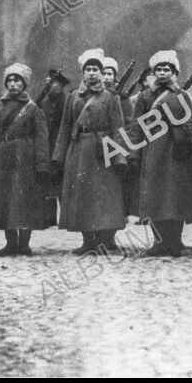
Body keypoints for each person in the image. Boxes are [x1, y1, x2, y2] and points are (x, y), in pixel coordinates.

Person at [52, 49, 128, 255]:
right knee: (82, 197)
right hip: (78, 151)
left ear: (102, 72)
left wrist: (119, 156)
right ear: (82, 72)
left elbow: (118, 128)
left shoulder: (110, 97)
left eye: (96, 69)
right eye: (88, 69)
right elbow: (65, 128)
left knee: (102, 197)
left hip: (102, 151)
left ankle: (103, 239)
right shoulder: (73, 96)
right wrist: (59, 156)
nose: (92, 73)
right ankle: (87, 240)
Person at [127, 50, 192, 257]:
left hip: (177, 151)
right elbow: (136, 127)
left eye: (167, 69)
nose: (163, 72)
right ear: (153, 72)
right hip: (153, 150)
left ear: (174, 72)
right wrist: (134, 153)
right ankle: (159, 242)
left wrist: (189, 146)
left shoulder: (182, 95)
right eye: (159, 69)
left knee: (175, 197)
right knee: (155, 197)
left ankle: (175, 241)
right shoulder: (145, 96)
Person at [0, 64, 50, 256]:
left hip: (26, 159)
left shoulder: (34, 109)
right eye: (9, 80)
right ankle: (10, 242)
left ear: (24, 84)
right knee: (4, 200)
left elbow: (42, 139)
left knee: (26, 200)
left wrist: (42, 164)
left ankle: (24, 243)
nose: (12, 84)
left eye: (17, 80)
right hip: (2, 159)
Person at [102, 55, 136, 237]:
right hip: (96, 149)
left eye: (110, 74)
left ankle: (111, 235)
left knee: (115, 195)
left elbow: (129, 126)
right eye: (104, 73)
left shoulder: (122, 99)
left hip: (116, 149)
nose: (107, 77)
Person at [39, 69, 69, 229]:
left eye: (54, 82)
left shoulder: (66, 101)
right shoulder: (44, 102)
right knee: (49, 181)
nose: (49, 84)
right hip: (47, 144)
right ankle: (49, 217)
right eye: (49, 80)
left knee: (63, 181)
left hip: (61, 143)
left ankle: (66, 217)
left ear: (61, 85)